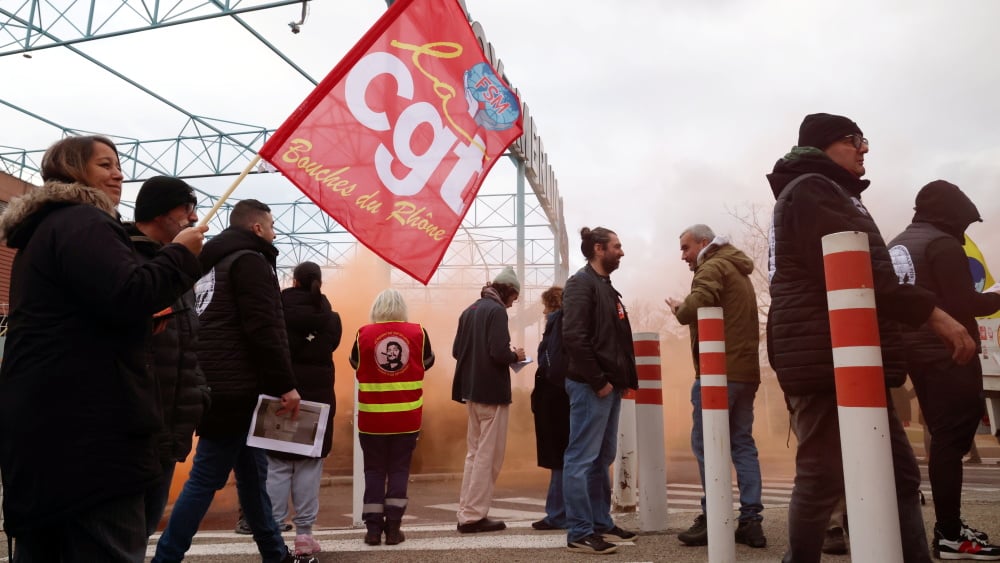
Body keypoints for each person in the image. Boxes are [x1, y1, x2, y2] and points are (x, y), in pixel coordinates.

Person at [767, 112, 976, 563]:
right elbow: (863, 275)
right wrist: (934, 314)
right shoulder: (812, 190)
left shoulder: (825, 191)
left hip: (849, 354)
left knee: (897, 476)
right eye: (854, 139)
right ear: (825, 146)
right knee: (822, 477)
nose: (864, 149)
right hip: (827, 356)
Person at [0, 136, 205, 561]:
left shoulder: (46, 229)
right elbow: (129, 293)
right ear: (73, 170)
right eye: (104, 165)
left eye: (118, 164)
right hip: (92, 440)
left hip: (49, 434)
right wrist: (180, 254)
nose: (118, 174)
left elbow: (88, 315)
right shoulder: (83, 222)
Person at [153, 199, 313, 563]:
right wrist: (285, 384)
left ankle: (275, 553)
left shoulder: (210, 264)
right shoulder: (250, 261)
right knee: (206, 478)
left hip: (213, 381)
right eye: (271, 226)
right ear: (257, 228)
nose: (274, 233)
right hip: (238, 389)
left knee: (254, 479)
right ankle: (166, 557)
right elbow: (265, 328)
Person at [887, 179, 1000, 560]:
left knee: (941, 436)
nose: (965, 232)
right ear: (952, 216)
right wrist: (998, 297)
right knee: (953, 438)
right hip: (950, 351)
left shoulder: (899, 241)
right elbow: (963, 302)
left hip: (913, 351)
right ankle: (950, 532)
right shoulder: (944, 244)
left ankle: (947, 529)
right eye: (964, 223)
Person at [666, 224, 766, 548]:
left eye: (686, 248)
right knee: (742, 443)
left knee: (707, 444)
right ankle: (751, 520)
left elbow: (699, 304)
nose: (682, 256)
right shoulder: (737, 268)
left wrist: (680, 309)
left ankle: (714, 516)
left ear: (704, 243)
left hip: (718, 374)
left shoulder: (712, 266)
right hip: (746, 372)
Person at [127, 176, 211, 538]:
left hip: (170, 429)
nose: (194, 218)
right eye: (186, 209)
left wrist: (199, 396)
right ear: (160, 212)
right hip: (135, 429)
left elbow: (189, 344)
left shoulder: (180, 271)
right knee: (121, 536)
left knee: (141, 533)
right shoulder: (126, 260)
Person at [561, 226, 639, 554]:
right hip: (591, 387)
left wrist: (622, 382)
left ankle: (600, 523)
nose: (621, 251)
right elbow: (574, 337)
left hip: (609, 387)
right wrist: (599, 381)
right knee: (581, 459)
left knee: (601, 458)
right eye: (616, 246)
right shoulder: (581, 284)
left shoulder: (605, 287)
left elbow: (615, 341)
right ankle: (579, 531)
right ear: (598, 248)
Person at [266, 261, 342, 557]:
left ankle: (272, 533)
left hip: (281, 398)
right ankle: (304, 536)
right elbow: (329, 347)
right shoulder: (331, 319)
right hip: (318, 402)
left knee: (277, 467)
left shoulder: (277, 313)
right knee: (309, 468)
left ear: (294, 281)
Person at [350, 289, 435, 546]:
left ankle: (373, 531)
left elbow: (355, 363)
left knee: (374, 471)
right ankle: (394, 530)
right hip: (406, 418)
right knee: (399, 470)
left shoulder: (363, 333)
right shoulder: (418, 332)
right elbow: (428, 362)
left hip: (372, 419)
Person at [451, 266, 526, 534]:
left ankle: (466, 511)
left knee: (473, 454)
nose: (513, 303)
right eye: (514, 298)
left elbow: (456, 350)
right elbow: (498, 353)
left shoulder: (469, 310)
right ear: (508, 291)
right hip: (491, 392)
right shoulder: (496, 311)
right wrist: (515, 355)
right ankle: (473, 516)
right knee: (488, 455)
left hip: (470, 391)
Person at [529, 286, 570, 531]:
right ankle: (560, 512)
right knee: (564, 456)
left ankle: (557, 513)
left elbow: (552, 364)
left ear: (553, 305)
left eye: (545, 306)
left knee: (560, 458)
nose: (543, 311)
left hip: (555, 399)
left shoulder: (557, 325)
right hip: (560, 397)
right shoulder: (566, 323)